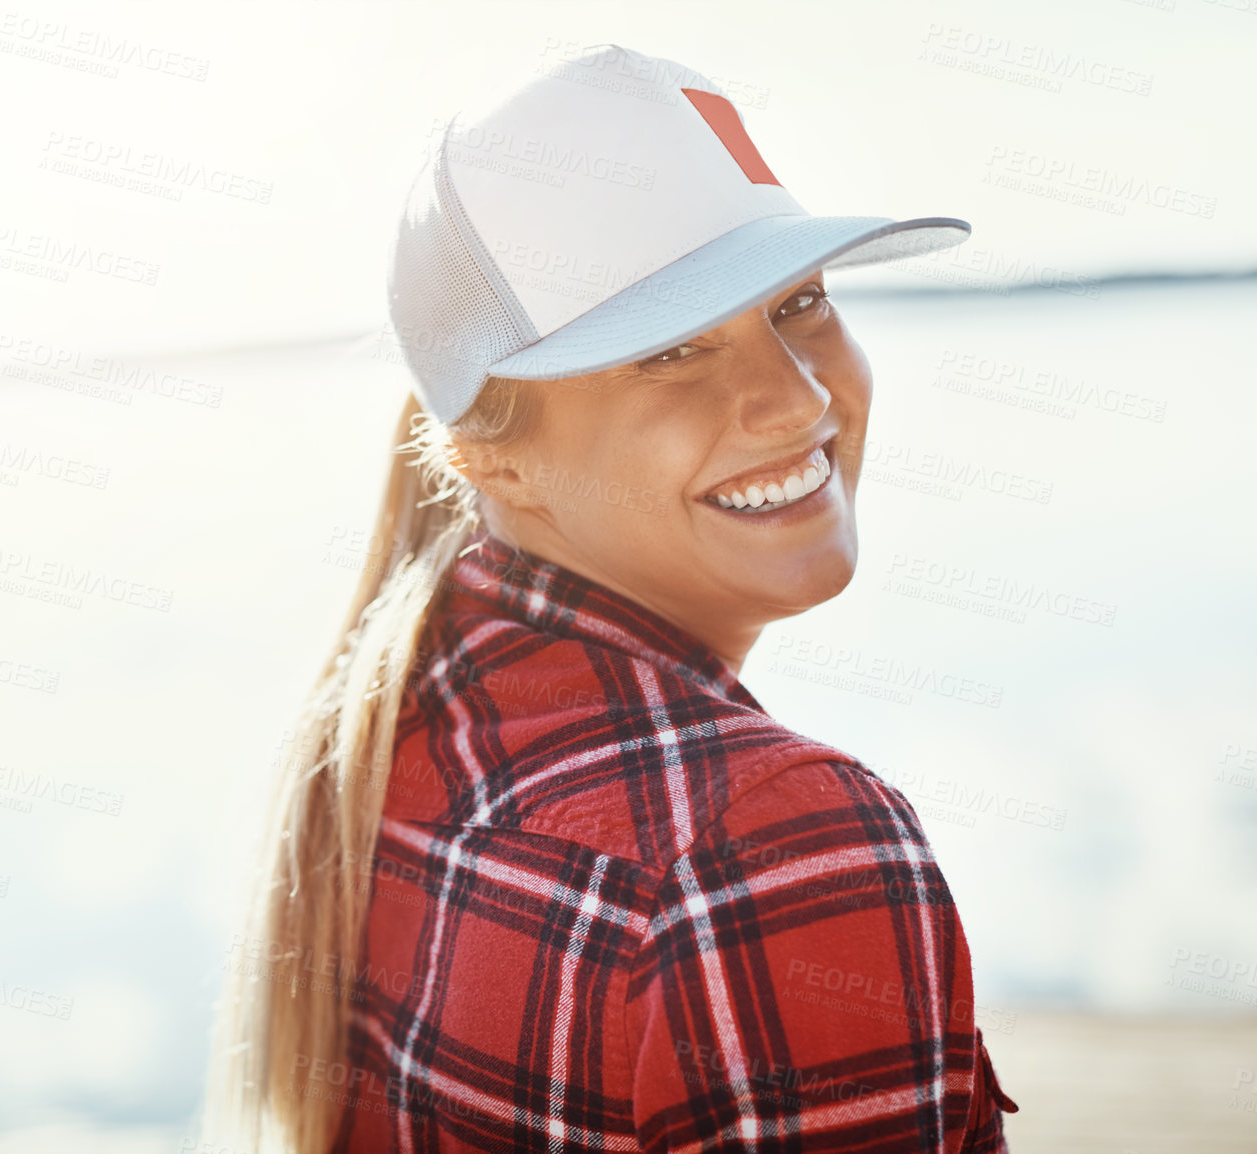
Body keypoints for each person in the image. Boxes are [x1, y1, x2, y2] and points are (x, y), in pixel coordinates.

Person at [208, 43, 1019, 1153]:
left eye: (803, 301)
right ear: (491, 458)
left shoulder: (405, 720)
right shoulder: (767, 844)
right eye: (672, 348)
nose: (795, 397)